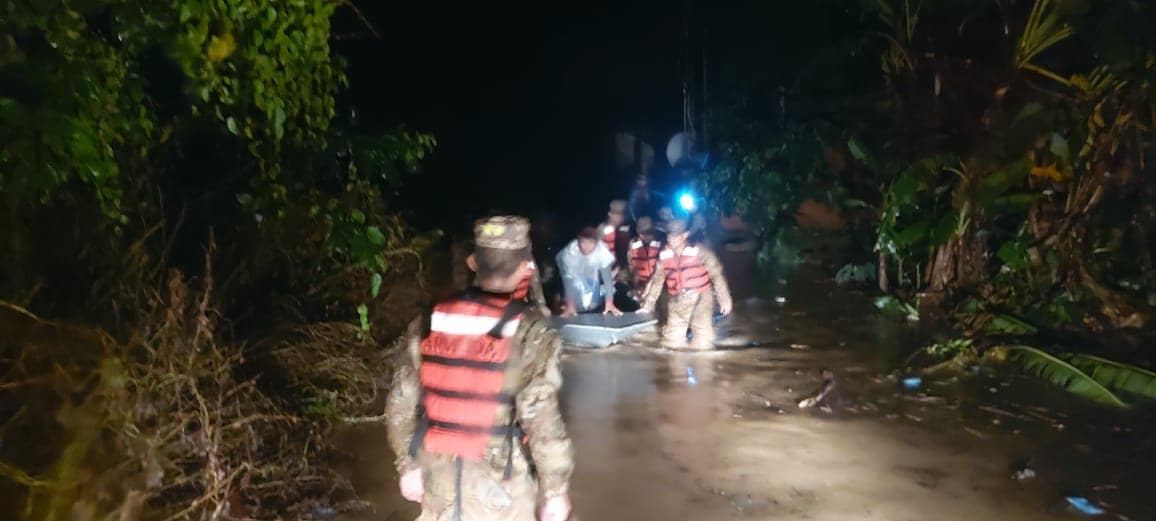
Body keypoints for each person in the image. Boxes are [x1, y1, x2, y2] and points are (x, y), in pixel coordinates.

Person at [385, 216, 573, 521]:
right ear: (526, 266)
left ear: (474, 262)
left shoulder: (430, 321)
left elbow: (400, 402)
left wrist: (408, 468)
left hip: (438, 477)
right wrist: (554, 491)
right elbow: (541, 420)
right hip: (501, 488)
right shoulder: (532, 334)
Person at [638, 219, 733, 350]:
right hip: (677, 299)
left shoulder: (700, 250)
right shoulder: (664, 255)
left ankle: (704, 365)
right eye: (670, 235)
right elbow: (657, 281)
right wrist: (649, 304)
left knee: (702, 339)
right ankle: (677, 368)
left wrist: (725, 299)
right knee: (671, 342)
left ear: (685, 235)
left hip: (701, 297)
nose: (672, 239)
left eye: (676, 235)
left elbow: (716, 274)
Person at [555, 226, 621, 317]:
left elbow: (607, 279)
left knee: (604, 293)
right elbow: (568, 281)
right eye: (583, 242)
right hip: (572, 274)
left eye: (590, 243)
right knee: (571, 298)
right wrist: (570, 305)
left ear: (596, 244)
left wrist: (609, 303)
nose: (586, 246)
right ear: (578, 241)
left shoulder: (602, 252)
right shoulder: (571, 252)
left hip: (591, 274)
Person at [627, 216, 662, 297]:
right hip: (640, 284)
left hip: (656, 283)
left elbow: (661, 270)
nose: (646, 237)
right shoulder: (632, 244)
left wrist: (651, 286)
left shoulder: (661, 242)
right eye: (642, 234)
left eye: (648, 234)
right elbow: (631, 266)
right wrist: (635, 285)